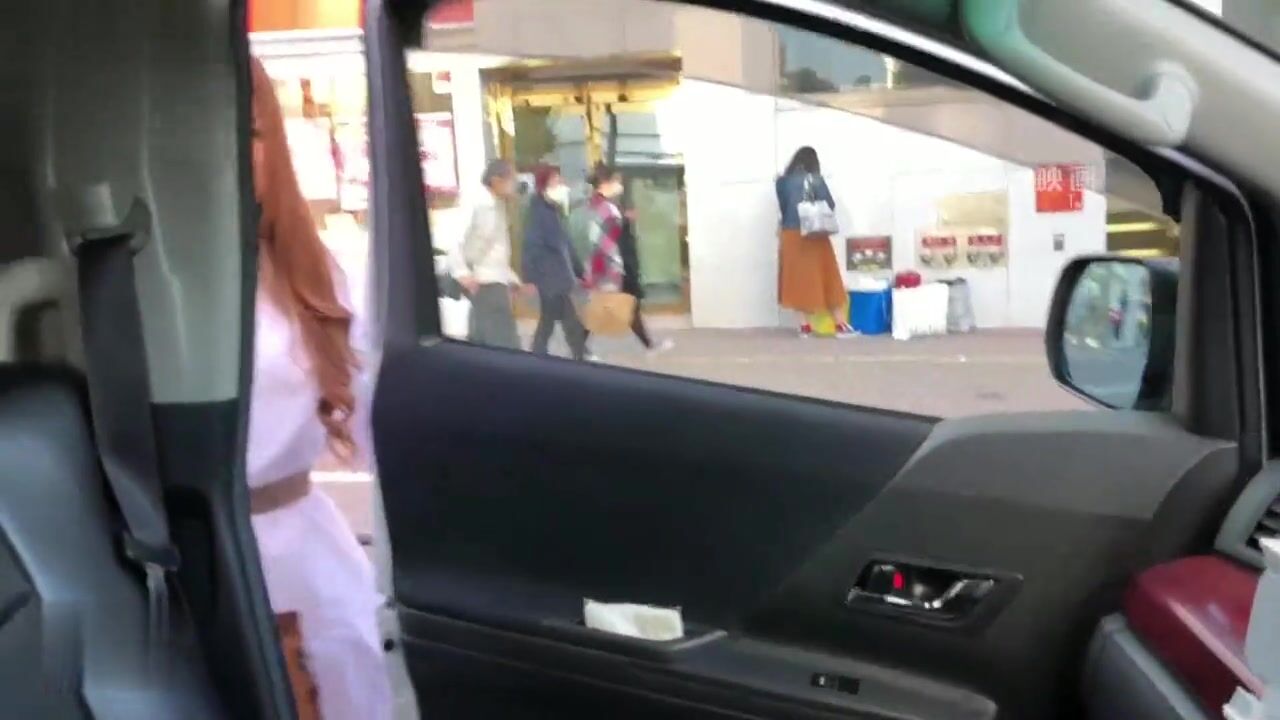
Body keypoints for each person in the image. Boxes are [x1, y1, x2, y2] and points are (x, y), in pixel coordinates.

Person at [248, 58, 392, 720]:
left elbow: (374, 427)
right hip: (175, 566)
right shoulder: (105, 281)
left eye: (252, 132)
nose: (232, 154)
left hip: (302, 557)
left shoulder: (307, 271)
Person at [586, 164, 672, 352]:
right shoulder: (605, 207)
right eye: (615, 181)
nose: (619, 184)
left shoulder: (602, 205)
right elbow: (606, 241)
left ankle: (648, 345)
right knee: (604, 307)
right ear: (604, 183)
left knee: (627, 305)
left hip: (615, 265)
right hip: (615, 266)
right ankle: (579, 347)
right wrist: (612, 269)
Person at [776, 146, 854, 338]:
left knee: (796, 281)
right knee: (828, 277)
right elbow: (829, 204)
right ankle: (840, 325)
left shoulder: (782, 182)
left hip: (790, 235)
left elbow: (783, 208)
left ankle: (804, 327)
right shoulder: (816, 179)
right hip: (814, 235)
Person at [523, 164, 590, 360]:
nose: (561, 184)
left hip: (558, 276)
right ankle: (579, 354)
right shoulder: (539, 213)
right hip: (549, 277)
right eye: (556, 180)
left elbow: (566, 245)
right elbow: (531, 247)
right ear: (544, 186)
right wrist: (530, 277)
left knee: (553, 319)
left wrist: (579, 271)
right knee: (563, 319)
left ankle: (571, 353)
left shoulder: (553, 211)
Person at [457, 159, 522, 349]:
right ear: (496, 181)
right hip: (484, 283)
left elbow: (497, 249)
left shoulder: (498, 206)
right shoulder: (479, 204)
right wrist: (462, 273)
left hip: (493, 282)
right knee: (502, 344)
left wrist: (511, 277)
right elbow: (457, 239)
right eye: (511, 179)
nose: (514, 184)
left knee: (485, 341)